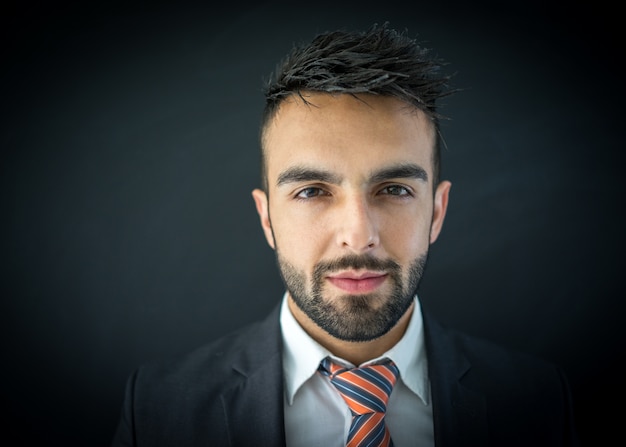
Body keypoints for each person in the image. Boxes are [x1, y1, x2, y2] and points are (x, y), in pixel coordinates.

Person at [111, 23, 579, 447]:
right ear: (266, 218)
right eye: (312, 191)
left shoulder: (538, 402)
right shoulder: (158, 409)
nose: (358, 236)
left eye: (394, 189)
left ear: (437, 211)